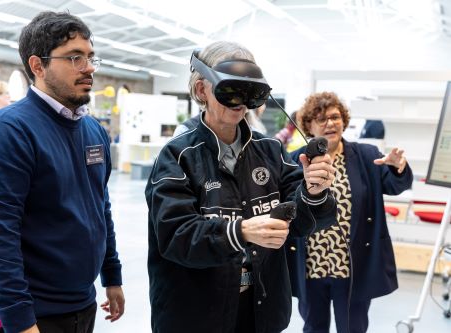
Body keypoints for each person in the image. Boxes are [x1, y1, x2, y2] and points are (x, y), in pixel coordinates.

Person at [145, 41, 337, 333]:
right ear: (201, 90)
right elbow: (174, 236)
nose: (241, 103)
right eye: (230, 90)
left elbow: (303, 222)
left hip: (261, 311)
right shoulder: (177, 157)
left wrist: (314, 191)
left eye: (249, 92)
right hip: (196, 314)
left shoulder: (271, 151)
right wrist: (241, 231)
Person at [0, 11, 124, 333]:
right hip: (18, 313)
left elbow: (99, 206)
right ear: (37, 66)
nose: (88, 67)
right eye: (74, 57)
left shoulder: (93, 130)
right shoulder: (6, 132)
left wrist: (111, 275)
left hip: (76, 304)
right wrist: (20, 321)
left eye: (90, 57)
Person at [286, 91, 413, 333]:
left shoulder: (366, 156)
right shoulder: (295, 160)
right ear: (309, 126)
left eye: (335, 117)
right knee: (313, 327)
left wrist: (399, 168)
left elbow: (395, 185)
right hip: (310, 266)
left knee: (353, 328)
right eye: (321, 119)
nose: (330, 123)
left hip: (352, 267)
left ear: (344, 120)